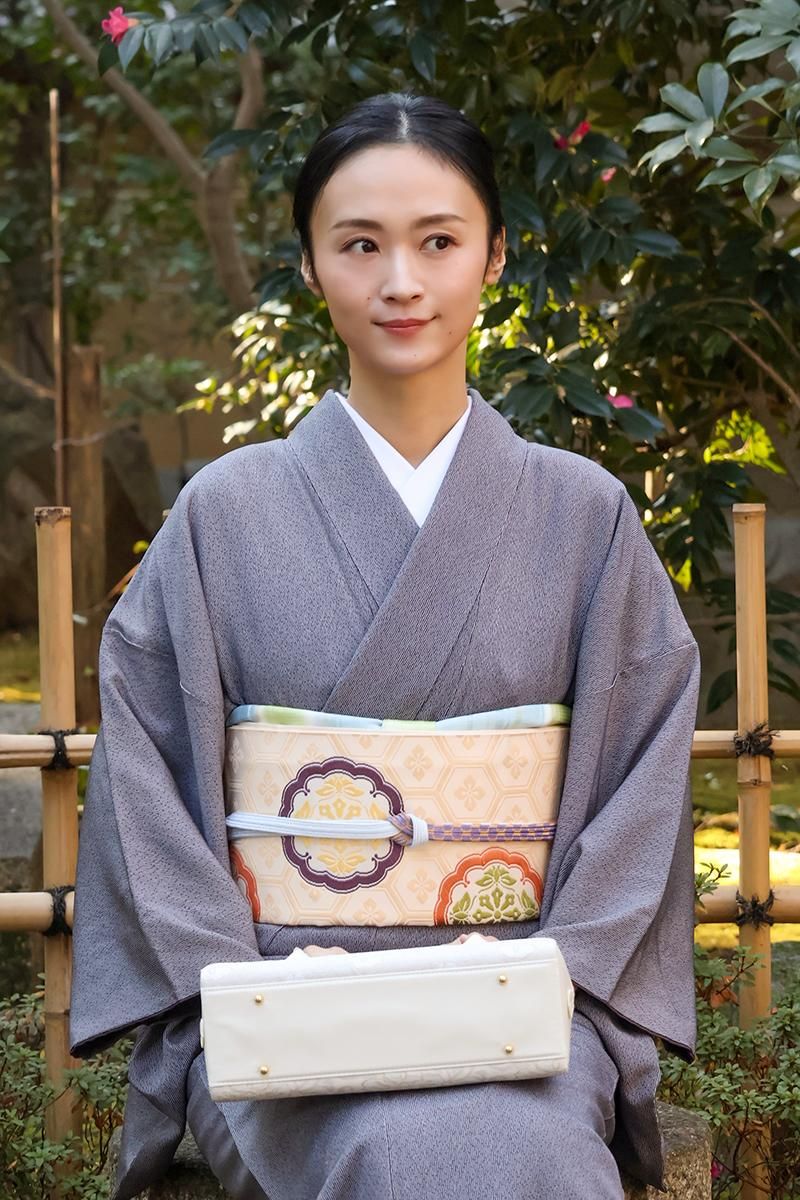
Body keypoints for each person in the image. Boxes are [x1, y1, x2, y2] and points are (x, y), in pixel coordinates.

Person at [70, 91, 701, 1200]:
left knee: (521, 1149)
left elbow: (639, 779)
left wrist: (552, 969)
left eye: (438, 242)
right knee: (392, 1153)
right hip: (281, 1007)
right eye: (359, 244)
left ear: (493, 255)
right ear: (310, 265)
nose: (400, 281)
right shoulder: (223, 514)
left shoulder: (583, 514)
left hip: (520, 1002)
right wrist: (236, 982)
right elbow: (146, 782)